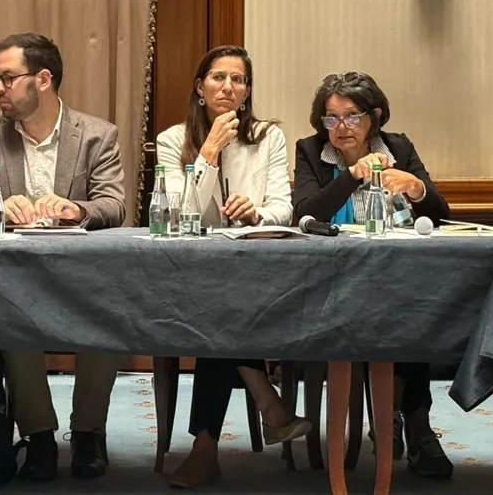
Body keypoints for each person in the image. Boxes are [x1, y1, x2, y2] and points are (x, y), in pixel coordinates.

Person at [0, 33, 125, 481]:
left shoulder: (97, 135)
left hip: (82, 275)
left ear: (43, 79)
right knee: (10, 318)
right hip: (14, 277)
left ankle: (88, 432)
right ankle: (39, 436)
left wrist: (75, 209)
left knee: (108, 315)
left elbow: (114, 205)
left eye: (8, 78)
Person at [156, 46, 310, 488]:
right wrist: (207, 153)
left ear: (247, 91)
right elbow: (176, 214)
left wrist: (256, 213)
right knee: (218, 306)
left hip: (258, 272)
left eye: (238, 80)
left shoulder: (267, 137)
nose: (228, 87)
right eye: (218, 77)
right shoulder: (172, 140)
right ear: (199, 87)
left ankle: (206, 450)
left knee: (220, 309)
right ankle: (267, 403)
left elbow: (284, 207)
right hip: (195, 275)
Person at [292, 71, 453, 480]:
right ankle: (408, 423)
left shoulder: (399, 147)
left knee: (410, 311)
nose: (341, 127)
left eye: (351, 116)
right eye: (331, 118)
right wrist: (353, 175)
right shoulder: (310, 150)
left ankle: (408, 421)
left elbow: (440, 214)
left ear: (374, 117)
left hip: (393, 276)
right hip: (328, 282)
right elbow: (305, 213)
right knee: (398, 312)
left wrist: (416, 187)